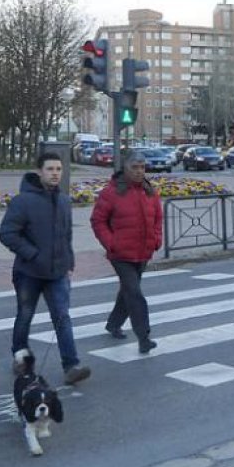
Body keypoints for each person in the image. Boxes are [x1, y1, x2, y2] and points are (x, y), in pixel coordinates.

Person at [0, 152, 91, 385]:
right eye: (50, 169)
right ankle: (21, 357)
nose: (55, 173)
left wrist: (69, 263)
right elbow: (7, 234)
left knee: (62, 318)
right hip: (28, 273)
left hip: (57, 273)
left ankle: (71, 366)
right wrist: (33, 254)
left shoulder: (64, 201)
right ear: (39, 172)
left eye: (59, 169)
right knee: (25, 316)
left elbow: (66, 236)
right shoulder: (23, 201)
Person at [91, 151, 162, 355]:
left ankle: (113, 324)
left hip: (143, 251)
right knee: (135, 293)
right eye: (135, 167)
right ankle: (144, 337)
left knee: (128, 292)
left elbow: (158, 218)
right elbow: (98, 221)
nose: (140, 171)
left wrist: (157, 239)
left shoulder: (149, 191)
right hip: (120, 254)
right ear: (125, 168)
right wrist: (111, 243)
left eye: (142, 167)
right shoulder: (111, 193)